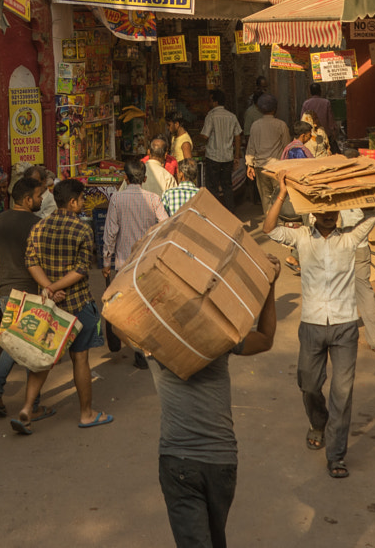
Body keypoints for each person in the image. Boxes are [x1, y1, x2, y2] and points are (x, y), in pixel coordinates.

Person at [153, 275, 279, 548]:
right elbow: (266, 339)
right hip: (222, 461)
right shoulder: (221, 334)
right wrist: (269, 287)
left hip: (178, 460)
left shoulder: (155, 337)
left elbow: (118, 324)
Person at [263, 179, 375, 477]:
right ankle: (318, 421)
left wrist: (358, 188)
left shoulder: (350, 239)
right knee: (309, 385)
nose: (328, 215)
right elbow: (269, 229)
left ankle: (336, 456)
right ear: (313, 213)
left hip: (344, 327)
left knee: (343, 391)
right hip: (312, 325)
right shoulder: (301, 237)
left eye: (333, 210)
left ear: (339, 214)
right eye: (322, 210)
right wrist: (283, 193)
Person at [15, 179, 111, 432]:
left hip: (48, 306)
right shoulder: (82, 230)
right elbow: (81, 270)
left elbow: (31, 261)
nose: (83, 204)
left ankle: (27, 408)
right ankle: (86, 414)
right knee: (80, 359)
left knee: (42, 358)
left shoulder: (39, 226)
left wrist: (48, 287)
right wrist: (57, 287)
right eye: (81, 200)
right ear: (72, 201)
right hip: (77, 303)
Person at [0, 176, 52, 420]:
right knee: (29, 346)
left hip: (5, 289)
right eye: (38, 195)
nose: (42, 199)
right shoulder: (38, 223)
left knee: (13, 342)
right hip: (29, 289)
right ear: (27, 199)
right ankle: (31, 405)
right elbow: (43, 261)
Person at [102, 159, 169, 368]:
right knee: (147, 306)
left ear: (125, 178)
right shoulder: (154, 199)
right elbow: (165, 227)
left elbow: (111, 232)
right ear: (145, 179)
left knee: (129, 309)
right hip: (148, 262)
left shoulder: (117, 199)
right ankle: (151, 348)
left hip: (124, 265)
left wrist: (106, 260)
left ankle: (138, 349)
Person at [198, 100, 242, 208]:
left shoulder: (211, 116)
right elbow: (237, 136)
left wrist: (198, 138)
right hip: (227, 157)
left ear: (215, 102)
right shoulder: (232, 116)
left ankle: (215, 212)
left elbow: (205, 136)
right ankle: (230, 211)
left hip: (213, 157)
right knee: (227, 185)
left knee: (213, 187)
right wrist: (236, 155)